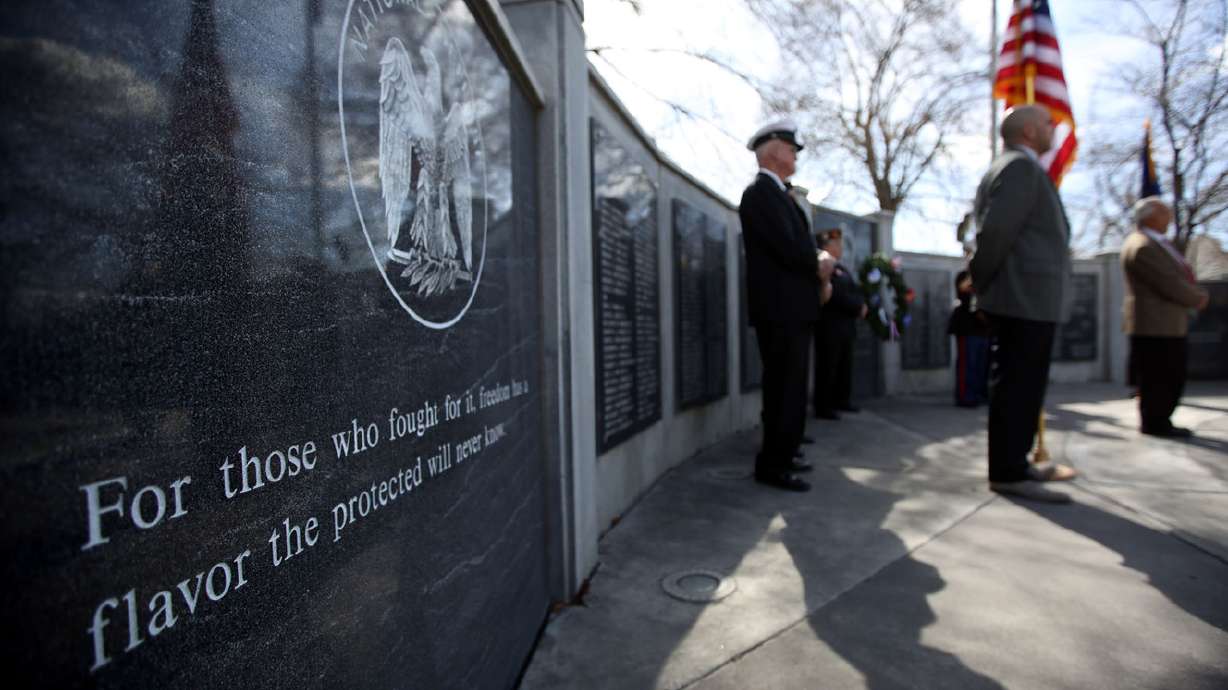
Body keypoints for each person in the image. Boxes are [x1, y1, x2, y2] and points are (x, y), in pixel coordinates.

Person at [970, 104, 1078, 504]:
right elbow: (996, 234)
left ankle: (1018, 461)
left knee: (1026, 385)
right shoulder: (1018, 167)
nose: (1055, 129)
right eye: (1049, 124)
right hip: (1021, 298)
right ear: (1030, 130)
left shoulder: (1021, 167)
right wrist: (981, 283)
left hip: (1028, 298)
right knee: (1017, 386)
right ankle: (1009, 471)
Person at [739, 119, 826, 492]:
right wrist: (819, 265)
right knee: (783, 388)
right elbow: (789, 248)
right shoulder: (760, 193)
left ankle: (786, 453)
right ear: (773, 151)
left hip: (792, 309)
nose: (794, 156)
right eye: (791, 149)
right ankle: (773, 464)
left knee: (792, 387)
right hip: (780, 311)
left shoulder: (780, 194)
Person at [1120, 196, 1210, 437]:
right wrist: (1196, 298)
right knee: (1159, 376)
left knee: (1170, 374)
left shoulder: (1155, 242)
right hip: (1156, 324)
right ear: (1150, 216)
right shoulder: (1142, 245)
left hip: (1167, 322)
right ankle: (1155, 422)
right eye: (1164, 212)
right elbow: (1167, 281)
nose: (1169, 216)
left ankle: (1161, 419)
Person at [812, 227, 866, 419]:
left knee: (844, 366)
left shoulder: (841, 268)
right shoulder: (824, 264)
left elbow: (853, 290)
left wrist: (861, 305)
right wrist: (856, 306)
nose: (840, 247)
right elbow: (835, 296)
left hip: (846, 326)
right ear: (827, 245)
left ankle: (842, 400)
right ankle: (824, 406)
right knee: (828, 367)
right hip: (829, 326)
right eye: (836, 244)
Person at [947, 270, 991, 407]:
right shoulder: (964, 276)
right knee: (967, 365)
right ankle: (965, 396)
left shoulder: (985, 277)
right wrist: (973, 271)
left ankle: (978, 393)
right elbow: (962, 288)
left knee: (981, 366)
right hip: (967, 330)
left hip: (983, 330)